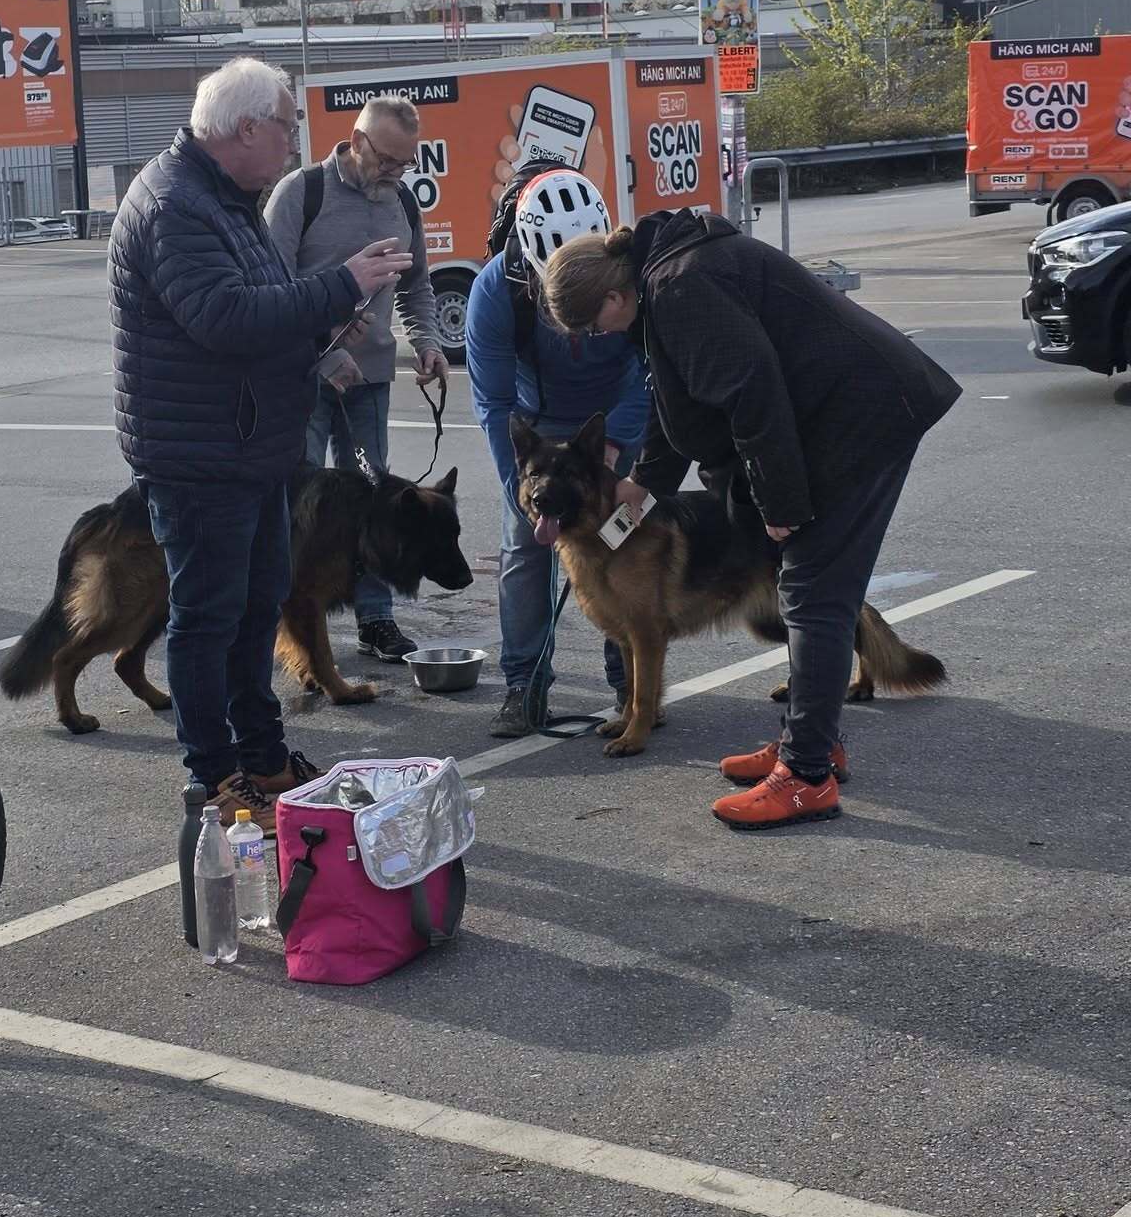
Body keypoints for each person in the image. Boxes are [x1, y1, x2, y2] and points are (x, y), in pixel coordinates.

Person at [541, 210, 961, 830]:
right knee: (807, 591)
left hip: (863, 419)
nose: (600, 336)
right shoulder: (662, 284)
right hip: (834, 420)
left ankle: (806, 776)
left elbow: (751, 393)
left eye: (594, 326)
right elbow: (676, 398)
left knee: (813, 595)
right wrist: (646, 481)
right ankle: (810, 743)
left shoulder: (680, 288)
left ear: (612, 297)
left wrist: (779, 504)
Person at [107, 57, 413, 830]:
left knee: (253, 612)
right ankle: (213, 776)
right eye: (287, 126)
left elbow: (266, 304)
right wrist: (341, 285)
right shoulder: (175, 203)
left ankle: (265, 758)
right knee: (209, 619)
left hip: (249, 447)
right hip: (202, 455)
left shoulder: (225, 197)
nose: (294, 143)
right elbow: (225, 318)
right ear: (246, 128)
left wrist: (323, 341)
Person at [465, 167, 650, 738]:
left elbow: (652, 374)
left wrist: (614, 448)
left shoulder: (634, 276)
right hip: (536, 428)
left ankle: (631, 684)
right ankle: (524, 686)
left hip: (614, 422)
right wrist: (518, 487)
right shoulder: (495, 292)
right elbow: (494, 402)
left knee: (621, 544)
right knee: (526, 552)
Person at [265, 93, 448, 665]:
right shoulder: (301, 193)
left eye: (405, 163)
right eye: (386, 160)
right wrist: (323, 353)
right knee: (298, 507)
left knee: (377, 505)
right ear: (356, 141)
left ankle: (376, 619)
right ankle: (285, 617)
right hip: (302, 378)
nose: (394, 173)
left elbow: (416, 284)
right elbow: (269, 290)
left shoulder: (403, 202)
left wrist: (427, 342)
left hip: (370, 379)